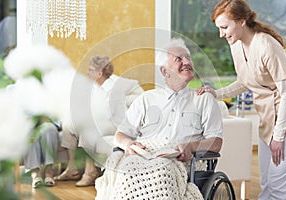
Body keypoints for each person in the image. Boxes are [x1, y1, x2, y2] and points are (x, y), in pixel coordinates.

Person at [95, 38, 223, 199]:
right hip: (144, 157)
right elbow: (120, 135)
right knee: (126, 171)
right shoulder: (146, 99)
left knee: (162, 170)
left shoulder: (204, 99)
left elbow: (216, 142)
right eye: (179, 59)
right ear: (164, 71)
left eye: (188, 58)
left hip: (182, 163)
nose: (186, 62)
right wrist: (128, 144)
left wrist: (190, 146)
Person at [196, 0, 286, 199]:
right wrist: (216, 93)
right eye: (219, 28)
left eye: (224, 27)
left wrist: (279, 135)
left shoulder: (267, 45)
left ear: (242, 21)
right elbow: (244, 82)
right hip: (268, 119)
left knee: (279, 186)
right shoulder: (237, 45)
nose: (221, 34)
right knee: (266, 183)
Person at [54, 56, 144, 187]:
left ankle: (90, 171)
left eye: (90, 70)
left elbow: (121, 111)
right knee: (69, 125)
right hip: (102, 121)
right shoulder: (95, 86)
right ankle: (72, 167)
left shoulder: (115, 87)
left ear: (99, 73)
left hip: (116, 124)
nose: (87, 73)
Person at [24, 121, 59, 188]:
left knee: (49, 128)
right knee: (29, 129)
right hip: (28, 122)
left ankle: (49, 171)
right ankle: (35, 173)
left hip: (47, 120)